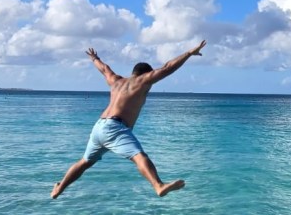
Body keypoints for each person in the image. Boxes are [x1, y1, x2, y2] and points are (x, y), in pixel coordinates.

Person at [51, 40, 207, 199]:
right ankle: (158, 185)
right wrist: (188, 53)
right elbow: (167, 68)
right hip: (115, 128)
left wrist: (94, 58)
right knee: (139, 156)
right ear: (146, 74)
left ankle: (59, 187)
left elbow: (104, 69)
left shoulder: (116, 81)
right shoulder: (142, 81)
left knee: (84, 162)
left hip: (99, 127)